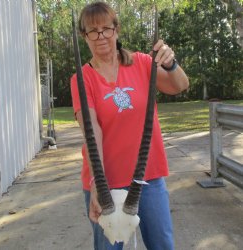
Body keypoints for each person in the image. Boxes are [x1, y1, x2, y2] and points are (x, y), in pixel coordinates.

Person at [71, 2, 189, 250]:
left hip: (149, 176)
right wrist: (96, 183)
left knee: (162, 244)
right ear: (84, 36)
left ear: (117, 30)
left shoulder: (143, 63)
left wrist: (170, 64)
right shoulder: (81, 79)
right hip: (106, 182)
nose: (101, 36)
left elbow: (179, 86)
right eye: (93, 30)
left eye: (106, 28)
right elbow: (92, 131)